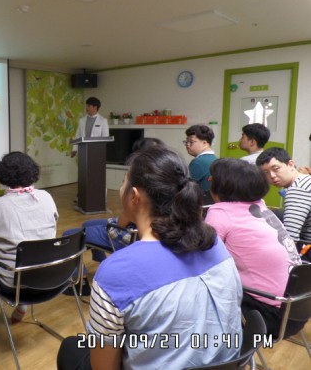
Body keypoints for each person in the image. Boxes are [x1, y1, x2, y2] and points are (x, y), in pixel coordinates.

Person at [57, 147, 242, 370]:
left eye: (123, 183)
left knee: (71, 347)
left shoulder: (115, 271)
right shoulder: (215, 244)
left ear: (134, 196)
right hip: (227, 363)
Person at [205, 158, 304, 338]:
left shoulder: (220, 212)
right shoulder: (261, 206)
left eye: (211, 179)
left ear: (220, 186)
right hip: (298, 309)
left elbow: (203, 260)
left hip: (267, 318)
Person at [0, 151, 58, 330]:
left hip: (12, 284)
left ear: (3, 175)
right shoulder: (46, 197)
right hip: (48, 278)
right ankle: (22, 306)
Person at [256, 148, 311, 248]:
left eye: (276, 169)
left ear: (290, 164)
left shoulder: (297, 189)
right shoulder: (307, 180)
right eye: (266, 172)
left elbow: (290, 239)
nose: (272, 176)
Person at [184, 124, 216, 202]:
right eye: (186, 141)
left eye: (191, 142)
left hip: (200, 204)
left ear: (204, 143)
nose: (187, 144)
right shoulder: (214, 158)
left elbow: (184, 187)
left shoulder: (198, 162)